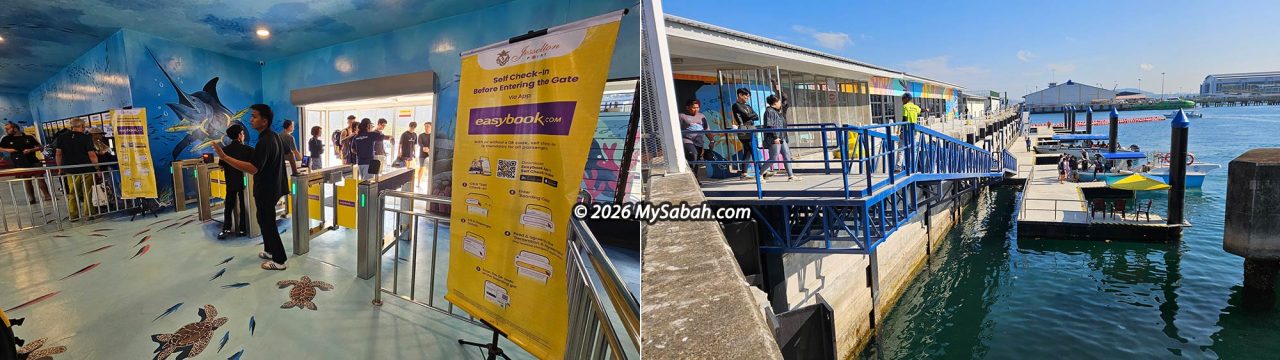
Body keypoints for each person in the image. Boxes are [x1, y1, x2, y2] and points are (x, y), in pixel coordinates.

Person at [212, 104, 290, 270]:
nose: (251, 120)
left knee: (268, 223)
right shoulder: (273, 136)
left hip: (267, 189)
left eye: (254, 117)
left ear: (265, 120)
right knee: (262, 219)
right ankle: (269, 250)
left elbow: (253, 168)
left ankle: (279, 260)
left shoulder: (265, 141)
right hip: (273, 187)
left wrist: (225, 157)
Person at [55, 118, 99, 219]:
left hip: (70, 170)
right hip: (86, 169)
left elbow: (58, 154)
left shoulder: (61, 137)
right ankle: (89, 214)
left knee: (72, 192)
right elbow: (92, 155)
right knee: (87, 192)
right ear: (82, 126)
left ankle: (73, 215)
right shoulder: (86, 138)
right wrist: (97, 168)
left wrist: (60, 169)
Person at [0, 121, 51, 204]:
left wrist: (31, 150)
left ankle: (47, 195)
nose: (6, 130)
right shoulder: (6, 138)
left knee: (40, 178)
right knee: (27, 180)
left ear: (15, 129)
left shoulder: (29, 137)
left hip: (33, 161)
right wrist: (8, 150)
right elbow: (0, 148)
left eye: (8, 129)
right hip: (20, 162)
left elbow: (40, 147)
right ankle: (31, 198)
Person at [217, 124, 253, 240]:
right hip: (244, 182)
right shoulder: (247, 149)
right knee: (243, 205)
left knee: (229, 205)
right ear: (239, 136)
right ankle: (243, 228)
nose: (243, 136)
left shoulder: (224, 150)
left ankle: (226, 228)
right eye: (242, 134)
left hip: (230, 182)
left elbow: (221, 166)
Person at [762, 80, 799, 181]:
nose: (780, 104)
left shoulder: (777, 111)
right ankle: (759, 174)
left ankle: (791, 175)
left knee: (787, 155)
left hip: (781, 137)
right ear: (775, 103)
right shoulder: (769, 111)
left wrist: (777, 88)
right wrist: (775, 137)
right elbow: (770, 126)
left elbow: (785, 100)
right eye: (779, 102)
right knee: (773, 158)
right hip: (775, 138)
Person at [730, 88, 761, 180]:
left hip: (751, 129)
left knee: (747, 152)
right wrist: (750, 116)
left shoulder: (748, 106)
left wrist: (749, 116)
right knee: (752, 150)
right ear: (740, 95)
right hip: (744, 130)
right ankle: (761, 171)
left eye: (748, 96)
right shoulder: (736, 105)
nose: (748, 98)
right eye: (746, 96)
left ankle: (743, 173)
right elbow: (748, 116)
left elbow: (757, 116)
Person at [679, 100, 708, 172]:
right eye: (694, 108)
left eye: (697, 107)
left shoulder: (702, 116)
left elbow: (707, 129)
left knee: (697, 159)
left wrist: (712, 141)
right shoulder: (682, 116)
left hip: (699, 141)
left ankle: (695, 176)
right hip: (687, 140)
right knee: (693, 155)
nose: (696, 109)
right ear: (687, 107)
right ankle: (691, 174)